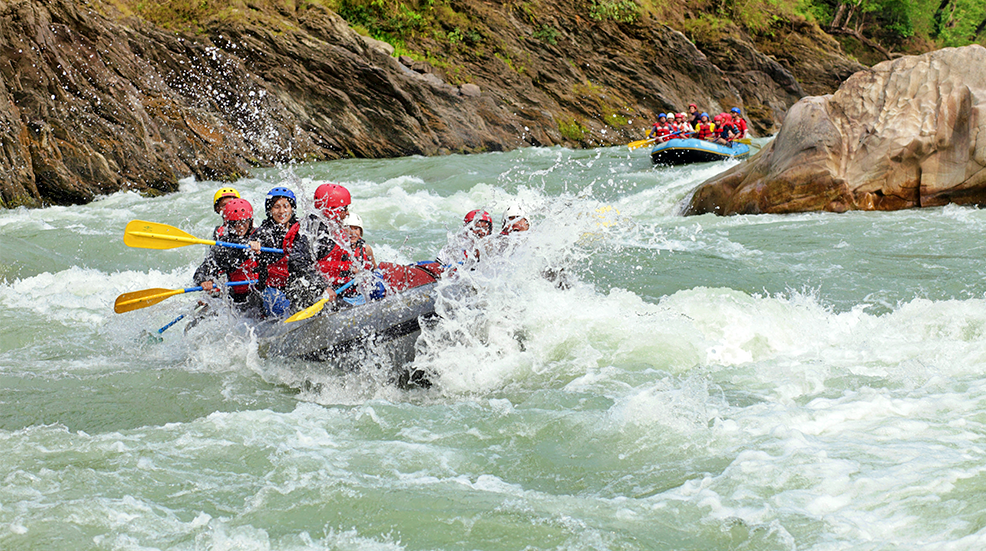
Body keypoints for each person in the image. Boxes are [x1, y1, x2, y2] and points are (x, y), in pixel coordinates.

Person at [247, 186, 313, 317]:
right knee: (278, 306)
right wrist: (252, 244)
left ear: (292, 209)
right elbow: (250, 242)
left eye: (286, 206)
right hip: (272, 287)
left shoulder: (302, 229)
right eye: (276, 207)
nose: (282, 211)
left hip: (296, 282)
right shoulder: (263, 232)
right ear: (270, 210)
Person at [193, 198, 257, 305]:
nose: (240, 226)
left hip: (260, 291)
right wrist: (204, 281)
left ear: (251, 222)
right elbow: (201, 272)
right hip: (236, 297)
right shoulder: (223, 247)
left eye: (244, 222)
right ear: (228, 224)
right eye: (235, 223)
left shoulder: (261, 236)